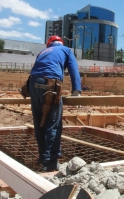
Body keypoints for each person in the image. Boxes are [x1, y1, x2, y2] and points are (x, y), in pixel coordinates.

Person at [29, 35, 81, 172]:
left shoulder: (43, 52)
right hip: (51, 83)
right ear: (61, 43)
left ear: (49, 44)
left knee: (39, 122)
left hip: (33, 83)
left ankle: (42, 157)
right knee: (53, 124)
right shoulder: (66, 50)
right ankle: (50, 162)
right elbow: (73, 68)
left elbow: (36, 69)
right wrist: (76, 89)